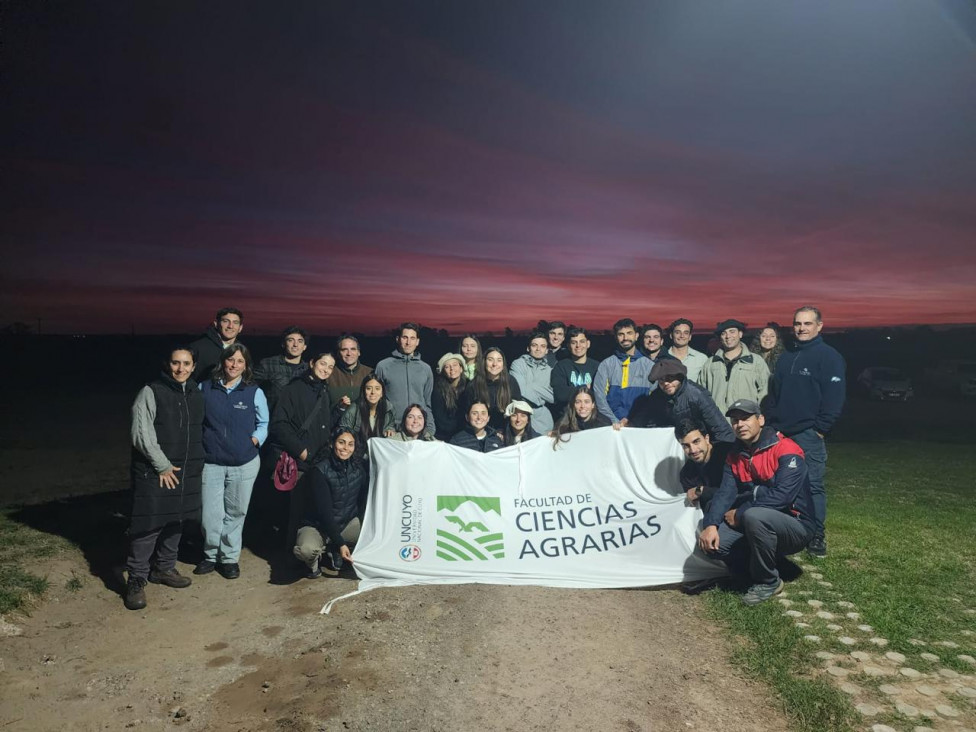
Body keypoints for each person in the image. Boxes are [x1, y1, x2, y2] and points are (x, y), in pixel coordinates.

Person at [698, 399, 816, 605]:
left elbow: (783, 496)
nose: (739, 424)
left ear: (760, 420)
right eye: (735, 421)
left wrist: (741, 513)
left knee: (753, 516)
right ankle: (764, 567)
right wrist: (710, 525)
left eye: (745, 418)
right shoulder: (735, 455)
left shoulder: (786, 448)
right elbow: (725, 494)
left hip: (796, 524)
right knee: (715, 543)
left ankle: (768, 581)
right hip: (760, 521)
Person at [124, 346, 205, 611]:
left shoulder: (195, 393)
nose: (180, 369)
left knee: (177, 519)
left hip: (185, 468)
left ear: (194, 366)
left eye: (186, 364)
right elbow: (141, 434)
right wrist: (162, 465)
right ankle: (136, 578)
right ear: (167, 364)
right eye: (175, 363)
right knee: (149, 524)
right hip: (156, 469)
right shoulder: (151, 391)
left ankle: (165, 568)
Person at [765, 306, 846, 558]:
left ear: (819, 326)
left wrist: (820, 429)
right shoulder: (787, 357)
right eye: (797, 323)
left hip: (809, 434)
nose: (801, 328)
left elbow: (835, 397)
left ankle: (816, 535)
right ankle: (787, 531)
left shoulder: (828, 356)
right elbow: (776, 394)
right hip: (782, 432)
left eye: (807, 324)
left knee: (812, 485)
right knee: (781, 484)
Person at [196, 344, 269, 579]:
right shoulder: (205, 388)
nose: (234, 365)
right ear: (223, 362)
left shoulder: (253, 391)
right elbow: (196, 421)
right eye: (230, 360)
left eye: (239, 361)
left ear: (245, 365)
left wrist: (254, 441)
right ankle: (210, 555)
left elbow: (264, 423)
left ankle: (228, 558)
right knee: (210, 514)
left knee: (236, 512)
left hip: (244, 462)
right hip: (212, 462)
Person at [269, 350, 335, 545]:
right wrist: (301, 451)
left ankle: (310, 554)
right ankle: (291, 555)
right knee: (296, 511)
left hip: (320, 461)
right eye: (323, 364)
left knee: (313, 508)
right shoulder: (294, 389)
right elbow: (279, 424)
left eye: (330, 367)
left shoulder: (323, 390)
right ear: (312, 362)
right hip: (301, 462)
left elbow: (323, 424)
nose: (326, 369)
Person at [293, 427, 368, 578]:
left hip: (345, 524)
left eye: (350, 444)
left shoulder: (358, 468)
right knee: (306, 550)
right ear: (332, 444)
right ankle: (313, 564)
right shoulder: (319, 471)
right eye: (341, 442)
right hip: (318, 526)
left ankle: (333, 548)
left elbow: (363, 502)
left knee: (374, 533)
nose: (345, 448)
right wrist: (341, 543)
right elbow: (324, 513)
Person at [626, 360, 734, 445]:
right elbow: (643, 418)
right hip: (676, 447)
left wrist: (719, 458)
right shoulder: (656, 396)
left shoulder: (697, 395)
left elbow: (721, 430)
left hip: (701, 446)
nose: (666, 383)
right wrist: (628, 424)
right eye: (661, 380)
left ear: (680, 377)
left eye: (670, 378)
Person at [697, 319, 770, 418]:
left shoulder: (756, 362)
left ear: (740, 334)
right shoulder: (710, 363)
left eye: (732, 332)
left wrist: (758, 416)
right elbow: (701, 394)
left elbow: (765, 392)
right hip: (718, 423)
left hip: (746, 422)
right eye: (724, 333)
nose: (728, 336)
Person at [374, 322, 434, 433]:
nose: (408, 342)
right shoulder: (383, 366)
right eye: (405, 337)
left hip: (418, 430)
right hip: (391, 430)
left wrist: (430, 428)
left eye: (412, 338)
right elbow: (377, 402)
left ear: (417, 342)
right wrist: (386, 425)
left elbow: (427, 402)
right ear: (398, 339)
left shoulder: (426, 369)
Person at [593, 318, 653, 424]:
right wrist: (614, 421)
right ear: (616, 337)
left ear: (637, 335)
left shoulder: (649, 366)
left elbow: (653, 399)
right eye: (621, 334)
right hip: (611, 425)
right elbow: (599, 397)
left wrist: (634, 421)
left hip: (640, 424)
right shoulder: (606, 364)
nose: (625, 338)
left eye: (629, 333)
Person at [675, 419, 733, 512]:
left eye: (696, 442)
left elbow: (736, 492)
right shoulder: (686, 474)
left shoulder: (728, 453)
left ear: (706, 438)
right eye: (686, 446)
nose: (693, 450)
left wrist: (702, 491)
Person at [460, 346, 522, 430]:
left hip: (507, 432)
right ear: (484, 362)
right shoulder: (473, 385)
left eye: (499, 360)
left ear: (503, 364)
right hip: (481, 431)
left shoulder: (511, 382)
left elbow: (517, 412)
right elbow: (468, 415)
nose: (494, 364)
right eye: (490, 359)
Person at [253, 326, 309, 414]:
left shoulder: (308, 369)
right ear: (283, 344)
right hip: (271, 419)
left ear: (304, 346)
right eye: (290, 340)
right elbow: (250, 388)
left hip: (298, 422)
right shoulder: (268, 364)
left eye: (300, 341)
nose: (295, 344)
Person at [550, 326, 600, 422]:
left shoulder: (597, 367)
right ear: (569, 345)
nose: (578, 346)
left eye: (582, 341)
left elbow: (600, 394)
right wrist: (585, 387)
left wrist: (572, 391)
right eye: (574, 342)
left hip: (593, 419)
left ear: (588, 344)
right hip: (568, 420)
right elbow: (560, 394)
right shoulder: (561, 366)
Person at [510, 332, 555, 434]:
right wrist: (542, 396)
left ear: (547, 350)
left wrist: (530, 386)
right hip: (520, 415)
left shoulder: (550, 371)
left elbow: (553, 397)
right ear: (528, 348)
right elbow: (520, 389)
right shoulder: (518, 364)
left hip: (542, 420)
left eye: (542, 346)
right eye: (534, 345)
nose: (538, 349)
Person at [340, 374, 396, 452]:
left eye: (377, 388)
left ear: (382, 393)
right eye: (369, 388)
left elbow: (390, 425)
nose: (373, 392)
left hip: (380, 453)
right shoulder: (354, 409)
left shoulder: (388, 408)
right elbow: (343, 433)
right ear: (363, 391)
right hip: (357, 454)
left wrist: (389, 430)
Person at [191, 307, 244, 381]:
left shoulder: (242, 351)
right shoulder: (198, 347)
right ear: (216, 324)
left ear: (240, 328)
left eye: (235, 322)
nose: (230, 326)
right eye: (226, 321)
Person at [328, 335, 374, 416]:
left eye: (353, 349)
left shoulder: (370, 373)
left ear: (359, 352)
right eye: (344, 350)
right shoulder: (329, 373)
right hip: (335, 425)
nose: (349, 353)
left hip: (364, 425)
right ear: (339, 353)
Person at [431, 353, 468, 441]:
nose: (452, 369)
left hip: (466, 433)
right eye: (447, 367)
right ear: (443, 371)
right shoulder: (438, 389)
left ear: (461, 368)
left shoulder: (469, 386)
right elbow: (439, 417)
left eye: (455, 365)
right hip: (444, 435)